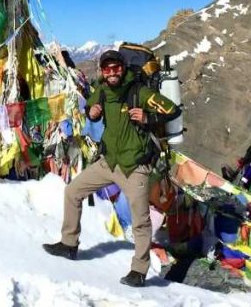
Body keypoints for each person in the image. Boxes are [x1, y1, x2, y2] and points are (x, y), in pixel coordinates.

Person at [42, 49, 181, 287]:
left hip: (135, 166)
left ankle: (139, 271)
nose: (112, 72)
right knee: (72, 191)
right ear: (102, 71)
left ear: (123, 68)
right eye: (107, 69)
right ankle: (69, 244)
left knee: (140, 220)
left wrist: (148, 118)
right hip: (108, 162)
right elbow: (92, 111)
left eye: (116, 67)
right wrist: (92, 113)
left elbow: (173, 110)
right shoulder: (102, 90)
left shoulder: (139, 92)